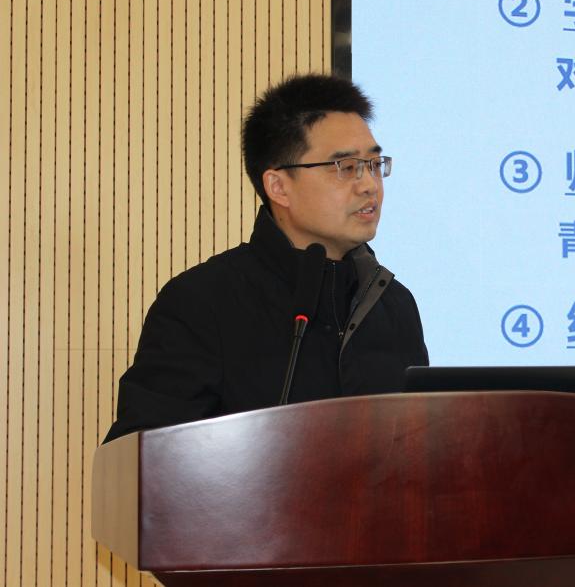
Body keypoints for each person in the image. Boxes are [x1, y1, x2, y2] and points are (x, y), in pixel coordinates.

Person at [104, 74, 428, 442]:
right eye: (346, 167)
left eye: (373, 164)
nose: (369, 185)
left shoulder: (394, 305)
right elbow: (141, 454)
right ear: (278, 186)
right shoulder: (202, 302)